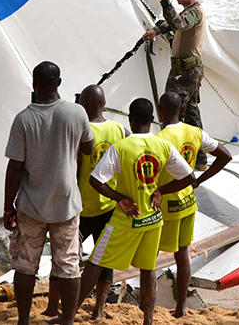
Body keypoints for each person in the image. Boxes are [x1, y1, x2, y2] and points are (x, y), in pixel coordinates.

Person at [74, 98, 196, 325]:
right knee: (148, 271)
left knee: (94, 263)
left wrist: (119, 198)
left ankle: (68, 316)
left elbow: (95, 180)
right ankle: (148, 321)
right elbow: (189, 177)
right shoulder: (163, 145)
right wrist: (160, 191)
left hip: (126, 220)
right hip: (153, 219)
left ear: (130, 119)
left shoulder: (121, 147)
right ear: (152, 119)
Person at [3, 62, 93, 325]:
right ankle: (68, 321)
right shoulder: (76, 112)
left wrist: (8, 207)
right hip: (66, 204)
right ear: (59, 83)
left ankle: (23, 320)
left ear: (35, 84)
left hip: (31, 205)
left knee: (25, 265)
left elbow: (15, 168)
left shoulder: (24, 119)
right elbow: (88, 148)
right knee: (68, 265)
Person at [43, 84, 129, 321]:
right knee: (105, 261)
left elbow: (72, 166)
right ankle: (98, 310)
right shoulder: (119, 130)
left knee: (63, 257)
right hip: (109, 206)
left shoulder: (80, 129)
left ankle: (53, 307)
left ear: (85, 104)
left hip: (79, 206)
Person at [156, 91, 233, 317]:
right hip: (188, 203)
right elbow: (225, 156)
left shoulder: (159, 139)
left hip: (166, 205)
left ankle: (147, 309)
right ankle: (181, 308)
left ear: (159, 111)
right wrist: (198, 180)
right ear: (182, 109)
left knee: (150, 258)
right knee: (182, 256)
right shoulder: (196, 132)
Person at [142, 0, 208, 167]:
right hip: (185, 69)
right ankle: (199, 157)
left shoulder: (195, 12)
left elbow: (179, 24)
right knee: (191, 113)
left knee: (171, 110)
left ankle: (174, 157)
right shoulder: (189, 11)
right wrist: (157, 30)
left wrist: (165, 2)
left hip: (187, 71)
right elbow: (173, 23)